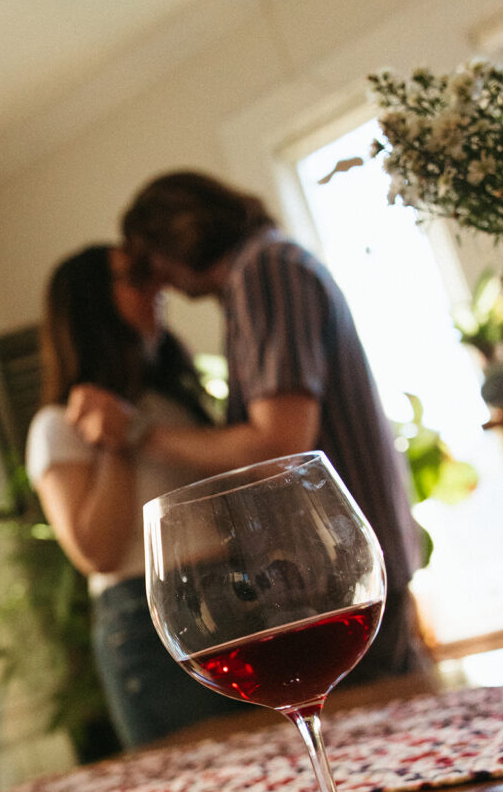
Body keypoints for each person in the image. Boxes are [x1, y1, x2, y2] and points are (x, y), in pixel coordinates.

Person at [71, 171, 429, 684]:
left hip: (335, 572)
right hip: (347, 567)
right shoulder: (273, 265)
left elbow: (280, 442)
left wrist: (136, 434)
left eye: (151, 265)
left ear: (176, 240)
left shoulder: (265, 270)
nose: (161, 286)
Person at [25, 243, 241, 748]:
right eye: (134, 278)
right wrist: (114, 445)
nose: (156, 287)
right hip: (149, 624)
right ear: (93, 304)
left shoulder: (171, 403)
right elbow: (96, 552)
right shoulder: (57, 426)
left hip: (234, 598)